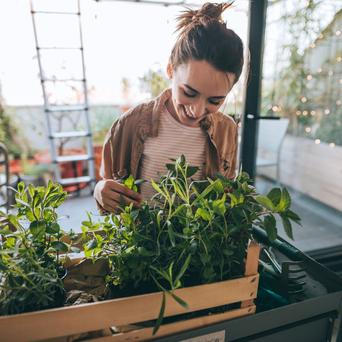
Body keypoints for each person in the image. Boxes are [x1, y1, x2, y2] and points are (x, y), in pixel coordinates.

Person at [94, 2, 244, 213]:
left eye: (215, 101)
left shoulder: (227, 130)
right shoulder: (130, 124)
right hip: (142, 241)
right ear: (171, 69)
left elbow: (226, 193)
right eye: (189, 93)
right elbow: (106, 182)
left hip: (201, 244)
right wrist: (100, 190)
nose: (197, 111)